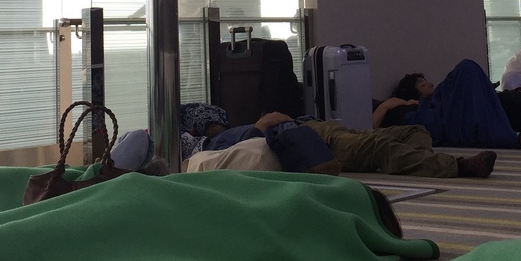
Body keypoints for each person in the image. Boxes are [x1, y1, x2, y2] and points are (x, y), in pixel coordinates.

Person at [178, 101, 498, 178]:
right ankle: (458, 166)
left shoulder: (221, 131)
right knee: (380, 147)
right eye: (211, 123)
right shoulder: (208, 149)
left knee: (415, 131)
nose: (217, 125)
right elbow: (251, 143)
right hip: (307, 141)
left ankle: (404, 161)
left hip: (315, 126)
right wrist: (263, 124)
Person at [374, 62, 521, 150]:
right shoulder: (394, 107)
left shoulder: (430, 101)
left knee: (469, 72)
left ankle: (518, 137)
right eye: (422, 84)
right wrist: (385, 106)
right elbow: (365, 132)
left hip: (441, 111)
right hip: (434, 118)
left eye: (426, 80)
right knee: (466, 68)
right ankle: (518, 139)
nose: (429, 84)